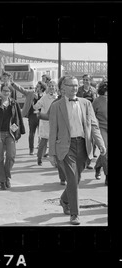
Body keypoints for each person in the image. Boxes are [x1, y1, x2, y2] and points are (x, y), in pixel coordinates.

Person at [49, 75, 106, 225]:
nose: (75, 88)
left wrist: (100, 144)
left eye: (76, 85)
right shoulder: (56, 106)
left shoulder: (86, 103)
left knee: (76, 179)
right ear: (63, 88)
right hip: (65, 148)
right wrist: (52, 153)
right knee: (73, 178)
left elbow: (94, 125)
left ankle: (64, 199)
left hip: (83, 145)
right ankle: (75, 214)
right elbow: (52, 131)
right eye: (71, 85)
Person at [0, 83, 25, 190]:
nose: (6, 93)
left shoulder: (14, 103)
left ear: (11, 92)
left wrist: (18, 133)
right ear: (1, 91)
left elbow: (18, 119)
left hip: (10, 133)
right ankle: (2, 181)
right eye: (4, 91)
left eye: (8, 91)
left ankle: (6, 175)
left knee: (11, 156)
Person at [37, 76, 68, 185]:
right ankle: (63, 178)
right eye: (63, 88)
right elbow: (48, 116)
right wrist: (39, 115)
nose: (65, 90)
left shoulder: (79, 101)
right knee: (61, 158)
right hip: (59, 135)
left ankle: (70, 178)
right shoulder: (56, 102)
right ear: (60, 90)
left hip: (72, 135)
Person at [11, 80, 47, 155]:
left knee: (42, 134)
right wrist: (13, 83)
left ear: (42, 89)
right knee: (31, 133)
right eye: (36, 86)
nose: (36, 87)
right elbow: (21, 89)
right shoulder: (31, 93)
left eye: (38, 87)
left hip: (41, 116)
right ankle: (31, 150)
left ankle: (42, 150)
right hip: (32, 116)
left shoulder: (45, 96)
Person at [33, 80, 58, 165]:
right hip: (45, 122)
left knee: (55, 141)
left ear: (55, 88)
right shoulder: (44, 97)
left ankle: (54, 158)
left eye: (53, 86)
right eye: (50, 86)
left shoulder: (58, 98)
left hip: (55, 122)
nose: (51, 88)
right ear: (47, 87)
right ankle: (39, 158)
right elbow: (36, 106)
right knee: (43, 141)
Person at [77, 74, 97, 169]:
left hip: (91, 117)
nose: (85, 81)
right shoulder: (79, 90)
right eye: (84, 79)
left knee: (91, 139)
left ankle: (89, 161)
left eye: (87, 80)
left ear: (90, 81)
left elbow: (96, 103)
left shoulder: (93, 90)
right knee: (82, 139)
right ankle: (82, 160)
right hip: (80, 116)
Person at [92, 80, 108, 185]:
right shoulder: (97, 101)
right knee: (105, 151)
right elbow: (91, 116)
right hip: (102, 127)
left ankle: (98, 166)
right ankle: (107, 175)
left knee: (105, 152)